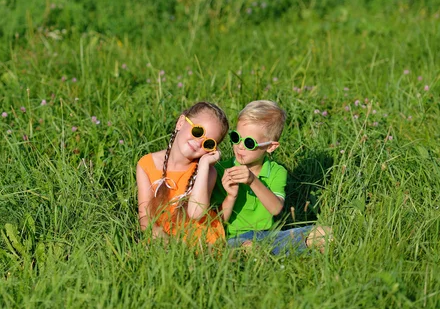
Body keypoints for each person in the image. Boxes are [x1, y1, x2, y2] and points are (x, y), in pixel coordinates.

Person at [211, 100, 331, 254]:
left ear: (270, 147)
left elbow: (275, 208)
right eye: (236, 137)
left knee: (325, 233)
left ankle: (284, 254)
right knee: (249, 247)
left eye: (249, 142)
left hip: (268, 236)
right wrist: (231, 195)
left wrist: (253, 181)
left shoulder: (276, 171)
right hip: (233, 238)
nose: (240, 146)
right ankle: (283, 254)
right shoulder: (221, 169)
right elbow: (216, 222)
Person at [136, 101, 229, 246]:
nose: (199, 143)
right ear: (180, 122)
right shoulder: (147, 164)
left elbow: (196, 214)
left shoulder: (208, 172)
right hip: (159, 234)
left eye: (208, 143)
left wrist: (204, 165)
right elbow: (144, 216)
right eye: (198, 132)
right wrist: (161, 237)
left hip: (198, 235)